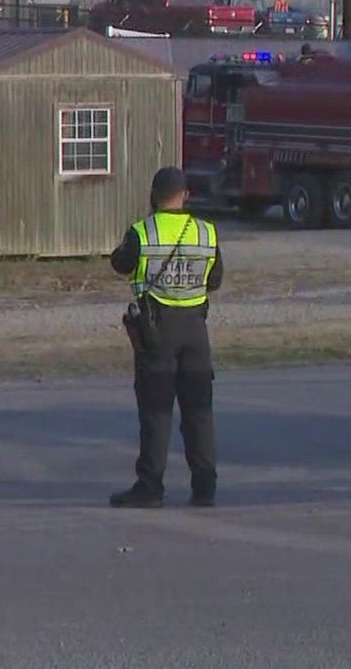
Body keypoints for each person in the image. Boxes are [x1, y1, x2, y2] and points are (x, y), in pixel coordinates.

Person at [108, 166, 223, 508]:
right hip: (195, 329)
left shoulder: (143, 231)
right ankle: (205, 487)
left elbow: (121, 264)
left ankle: (150, 486)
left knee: (156, 412)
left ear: (153, 195)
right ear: (185, 194)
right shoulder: (206, 232)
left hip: (156, 329)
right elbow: (214, 280)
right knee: (199, 411)